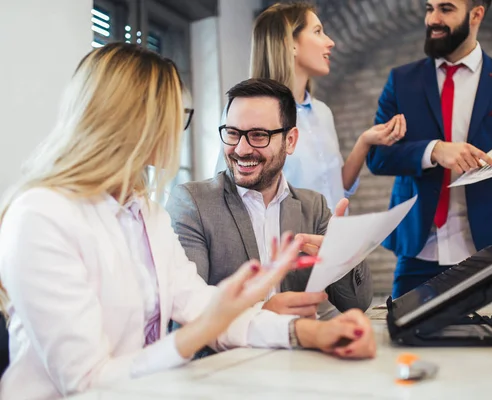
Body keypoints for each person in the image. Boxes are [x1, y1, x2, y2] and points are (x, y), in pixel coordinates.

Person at [0, 43, 376, 400]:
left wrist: (311, 333)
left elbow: (199, 303)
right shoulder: (41, 216)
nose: (175, 131)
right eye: (175, 116)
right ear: (133, 122)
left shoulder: (144, 212)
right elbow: (85, 382)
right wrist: (210, 322)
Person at [366, 0, 492, 298]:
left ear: (476, 14)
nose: (432, 18)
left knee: (488, 343)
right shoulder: (402, 81)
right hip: (418, 252)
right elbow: (378, 158)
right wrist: (434, 151)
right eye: (429, 8)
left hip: (487, 253)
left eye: (445, 9)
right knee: (403, 340)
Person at [167, 78, 372, 321]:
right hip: (229, 358)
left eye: (258, 135)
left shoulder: (313, 207)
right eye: (232, 133)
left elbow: (357, 303)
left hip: (299, 355)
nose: (241, 149)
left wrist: (343, 256)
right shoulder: (193, 203)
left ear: (290, 141)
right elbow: (185, 315)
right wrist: (262, 315)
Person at [214, 2, 406, 212]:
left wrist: (364, 142)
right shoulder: (244, 114)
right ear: (291, 44)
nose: (330, 42)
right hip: (288, 243)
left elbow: (335, 188)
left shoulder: (322, 112)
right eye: (318, 32)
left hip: (334, 239)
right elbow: (231, 199)